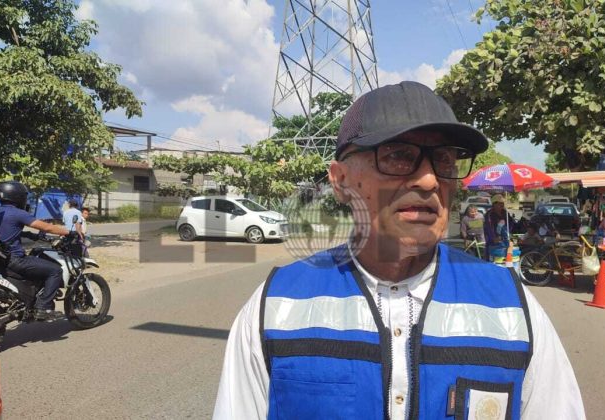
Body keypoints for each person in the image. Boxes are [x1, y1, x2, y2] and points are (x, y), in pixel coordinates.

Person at [213, 81, 585, 419]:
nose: (429, 179)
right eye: (397, 155)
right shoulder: (276, 307)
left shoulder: (512, 307)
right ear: (340, 181)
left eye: (444, 160)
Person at [0, 181, 69, 320]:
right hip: (15, 260)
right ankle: (43, 307)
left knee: (35, 258)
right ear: (17, 196)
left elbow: (5, 233)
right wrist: (68, 232)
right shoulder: (18, 213)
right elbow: (46, 227)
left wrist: (31, 236)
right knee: (55, 271)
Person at [484, 193, 510, 260]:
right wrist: (493, 238)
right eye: (500, 203)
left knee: (505, 258)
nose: (502, 205)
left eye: (502, 203)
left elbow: (510, 223)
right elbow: (489, 228)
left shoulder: (505, 212)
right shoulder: (489, 214)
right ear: (494, 204)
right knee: (492, 258)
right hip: (493, 240)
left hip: (505, 239)